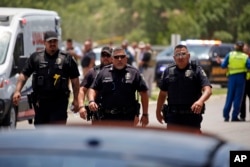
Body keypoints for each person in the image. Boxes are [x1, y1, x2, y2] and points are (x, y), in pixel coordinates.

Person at [12, 30, 80, 126]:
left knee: (57, 131)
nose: (52, 44)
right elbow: (24, 74)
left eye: (54, 41)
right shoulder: (36, 57)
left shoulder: (67, 58)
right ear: (44, 43)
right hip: (41, 103)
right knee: (41, 131)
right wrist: (17, 91)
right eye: (50, 41)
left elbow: (75, 79)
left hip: (59, 102)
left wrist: (76, 99)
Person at [155, 44, 212, 133]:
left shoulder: (196, 70)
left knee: (193, 144)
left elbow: (208, 90)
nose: (180, 57)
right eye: (178, 55)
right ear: (174, 58)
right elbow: (162, 94)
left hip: (192, 117)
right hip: (173, 117)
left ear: (188, 56)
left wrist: (200, 101)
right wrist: (158, 111)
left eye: (183, 54)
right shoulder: (168, 71)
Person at [87, 47, 149, 126]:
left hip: (127, 117)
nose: (119, 59)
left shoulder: (134, 73)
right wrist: (91, 101)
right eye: (116, 57)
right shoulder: (104, 72)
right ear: (112, 59)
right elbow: (93, 88)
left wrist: (145, 114)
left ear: (126, 58)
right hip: (107, 117)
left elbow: (143, 93)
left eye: (122, 56)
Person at [217, 41, 250, 122]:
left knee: (229, 97)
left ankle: (226, 116)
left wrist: (221, 62)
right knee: (238, 98)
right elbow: (249, 66)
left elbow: (223, 66)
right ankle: (234, 116)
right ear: (242, 48)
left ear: (235, 47)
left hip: (232, 78)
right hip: (241, 78)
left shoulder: (230, 55)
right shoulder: (245, 57)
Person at [78, 46, 113, 120]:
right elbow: (82, 89)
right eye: (103, 55)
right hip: (98, 111)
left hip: (115, 113)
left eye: (108, 55)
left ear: (112, 57)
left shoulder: (117, 71)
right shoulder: (93, 72)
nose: (105, 57)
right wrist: (81, 106)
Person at [239, 43, 250, 121]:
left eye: (246, 49)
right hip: (243, 81)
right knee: (242, 99)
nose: (244, 50)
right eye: (243, 49)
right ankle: (242, 116)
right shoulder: (242, 57)